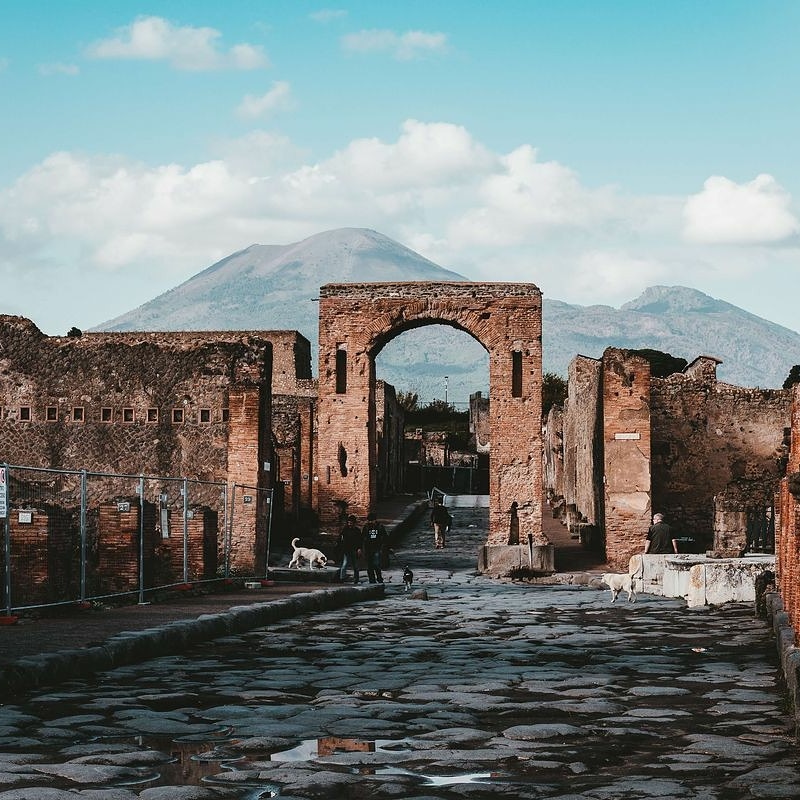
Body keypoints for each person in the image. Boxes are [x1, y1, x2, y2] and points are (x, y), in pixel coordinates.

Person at [361, 512, 388, 584]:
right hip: (368, 549)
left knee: (376, 564)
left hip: (377, 548)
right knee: (369, 566)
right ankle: (372, 580)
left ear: (375, 520)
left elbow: (385, 537)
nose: (370, 522)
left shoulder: (380, 527)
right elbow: (363, 537)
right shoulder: (366, 527)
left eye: (371, 520)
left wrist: (385, 547)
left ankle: (379, 578)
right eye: (369, 520)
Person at [337, 514, 362, 584]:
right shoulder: (345, 530)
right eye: (348, 523)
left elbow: (360, 540)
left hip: (354, 549)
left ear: (354, 523)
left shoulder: (357, 531)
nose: (349, 524)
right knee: (344, 564)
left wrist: (359, 548)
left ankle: (356, 579)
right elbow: (341, 538)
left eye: (351, 523)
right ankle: (341, 578)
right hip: (346, 550)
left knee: (355, 566)